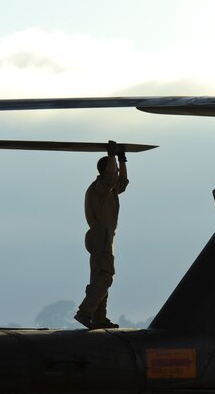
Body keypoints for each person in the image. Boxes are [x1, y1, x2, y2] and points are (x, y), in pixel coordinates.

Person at [74, 140, 129, 329]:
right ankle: (85, 312)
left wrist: (121, 159)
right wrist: (112, 155)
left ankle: (99, 318)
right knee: (105, 276)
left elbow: (121, 183)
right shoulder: (100, 188)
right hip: (101, 236)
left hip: (102, 236)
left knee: (99, 277)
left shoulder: (109, 191)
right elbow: (113, 178)